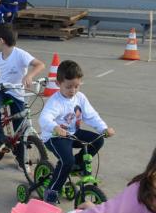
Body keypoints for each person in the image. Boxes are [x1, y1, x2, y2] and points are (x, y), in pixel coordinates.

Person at [39, 60, 115, 204]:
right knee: (66, 160)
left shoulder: (80, 97)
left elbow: (91, 115)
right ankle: (52, 192)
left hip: (73, 133)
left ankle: (78, 165)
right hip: (55, 137)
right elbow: (44, 118)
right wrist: (55, 128)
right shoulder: (55, 101)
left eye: (76, 86)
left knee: (98, 139)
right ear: (58, 83)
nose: (73, 90)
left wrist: (104, 128)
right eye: (68, 87)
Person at [0, 24, 45, 149]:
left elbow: (40, 65)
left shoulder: (20, 54)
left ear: (1, 40)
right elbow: (1, 74)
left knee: (20, 124)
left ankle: (20, 155)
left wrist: (29, 76)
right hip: (1, 89)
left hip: (16, 92)